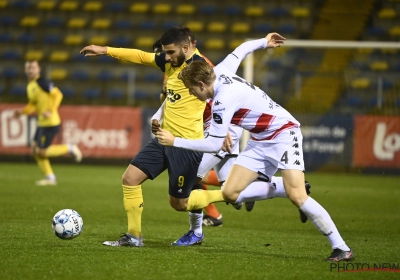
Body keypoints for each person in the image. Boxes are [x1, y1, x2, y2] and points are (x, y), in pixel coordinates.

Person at [156, 34, 354, 261]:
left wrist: (175, 141)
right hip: (260, 139)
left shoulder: (222, 100)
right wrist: (264, 41)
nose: (191, 95)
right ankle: (282, 187)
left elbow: (213, 143)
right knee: (231, 193)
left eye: (192, 90)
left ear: (201, 85)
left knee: (297, 196)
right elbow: (241, 49)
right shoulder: (220, 70)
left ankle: (342, 247)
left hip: (283, 134)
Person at [80, 27, 228, 247]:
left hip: (186, 146)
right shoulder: (169, 63)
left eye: (170, 52)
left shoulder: (201, 68)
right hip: (162, 138)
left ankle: (231, 193)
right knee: (130, 178)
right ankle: (134, 236)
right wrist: (104, 50)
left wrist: (224, 130)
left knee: (179, 204)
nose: (166, 57)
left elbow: (220, 97)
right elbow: (140, 56)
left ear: (186, 48)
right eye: (164, 53)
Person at [13, 60, 82, 186]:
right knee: (34, 150)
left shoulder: (43, 82)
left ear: (38, 69)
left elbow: (58, 95)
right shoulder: (30, 86)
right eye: (28, 68)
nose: (30, 70)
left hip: (51, 122)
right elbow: (33, 104)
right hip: (42, 123)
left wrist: (51, 110)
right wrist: (21, 112)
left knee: (42, 152)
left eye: (33, 67)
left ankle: (70, 147)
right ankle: (50, 177)